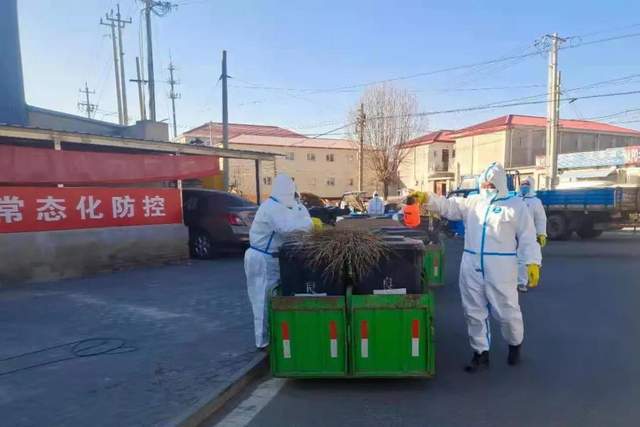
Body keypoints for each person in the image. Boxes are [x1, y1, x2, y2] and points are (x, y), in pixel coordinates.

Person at [424, 162, 541, 372]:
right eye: (484, 183)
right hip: (471, 264)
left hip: (501, 266)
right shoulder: (473, 202)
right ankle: (480, 352)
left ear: (499, 183)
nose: (487, 187)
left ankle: (515, 344)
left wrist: (532, 262)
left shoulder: (515, 206)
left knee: (507, 311)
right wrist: (427, 199)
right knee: (473, 311)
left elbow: (528, 237)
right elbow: (449, 206)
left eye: (491, 184)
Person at [244, 173, 313, 349]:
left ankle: (277, 337)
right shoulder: (270, 207)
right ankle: (263, 342)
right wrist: (309, 224)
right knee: (262, 299)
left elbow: (296, 219)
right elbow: (285, 229)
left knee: (275, 297)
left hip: (274, 258)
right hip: (261, 258)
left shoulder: (283, 207)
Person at [517, 176, 547, 293]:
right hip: (514, 234)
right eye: (522, 184)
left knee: (526, 259)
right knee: (512, 259)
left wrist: (541, 234)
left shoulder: (535, 202)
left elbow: (540, 219)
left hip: (529, 235)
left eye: (527, 184)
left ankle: (521, 283)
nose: (524, 186)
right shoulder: (515, 199)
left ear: (531, 186)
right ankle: (510, 282)